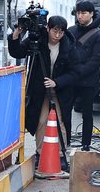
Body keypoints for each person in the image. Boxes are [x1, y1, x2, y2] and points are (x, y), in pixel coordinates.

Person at [8, 15, 80, 166]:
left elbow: (75, 73)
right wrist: (15, 35)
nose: (57, 35)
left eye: (61, 32)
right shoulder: (38, 40)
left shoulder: (69, 44)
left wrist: (56, 82)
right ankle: (40, 152)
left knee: (60, 122)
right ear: (48, 28)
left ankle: (61, 154)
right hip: (40, 90)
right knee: (41, 121)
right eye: (54, 31)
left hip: (60, 91)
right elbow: (18, 52)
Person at [68, 0, 100, 150]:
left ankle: (86, 144)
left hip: (89, 81)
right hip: (71, 80)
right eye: (78, 13)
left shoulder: (99, 35)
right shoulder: (71, 31)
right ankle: (66, 142)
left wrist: (79, 71)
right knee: (66, 112)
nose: (80, 16)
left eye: (83, 13)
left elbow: (97, 59)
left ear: (91, 14)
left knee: (87, 113)